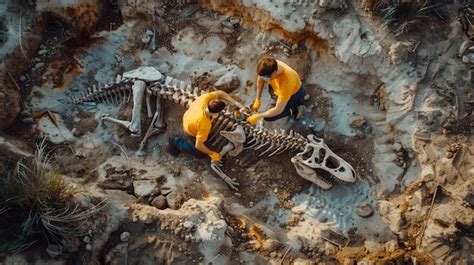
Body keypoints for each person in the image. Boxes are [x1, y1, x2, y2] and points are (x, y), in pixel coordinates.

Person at [168, 90, 245, 163]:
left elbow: (220, 93)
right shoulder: (205, 124)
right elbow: (198, 145)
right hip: (189, 130)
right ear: (216, 113)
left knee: (205, 137)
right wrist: (212, 154)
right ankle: (176, 142)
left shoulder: (204, 99)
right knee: (200, 154)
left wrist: (238, 104)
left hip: (188, 117)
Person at [246, 57, 305, 125]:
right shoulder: (270, 67)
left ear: (274, 73)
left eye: (266, 77)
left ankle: (296, 109)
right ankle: (281, 101)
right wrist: (258, 99)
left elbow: (278, 110)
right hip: (278, 90)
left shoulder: (287, 82)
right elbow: (260, 79)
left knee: (269, 117)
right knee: (270, 109)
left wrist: (258, 116)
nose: (264, 79)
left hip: (294, 95)